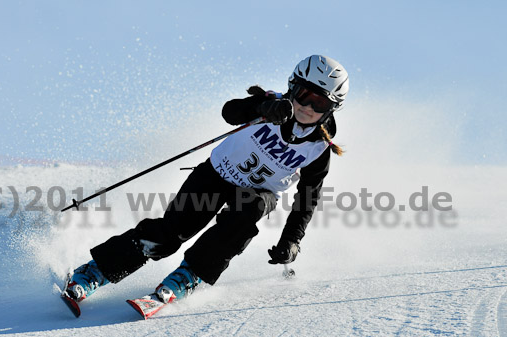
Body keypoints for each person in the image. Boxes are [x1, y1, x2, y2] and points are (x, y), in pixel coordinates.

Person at [64, 54, 349, 307]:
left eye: (320, 102)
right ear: (292, 87)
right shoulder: (271, 105)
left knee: (246, 214)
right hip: (216, 175)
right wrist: (262, 107)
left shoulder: (320, 148)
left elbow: (307, 197)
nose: (308, 107)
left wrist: (292, 240)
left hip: (258, 193)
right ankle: (95, 271)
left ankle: (191, 275)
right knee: (170, 235)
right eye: (304, 94)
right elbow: (230, 112)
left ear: (331, 108)